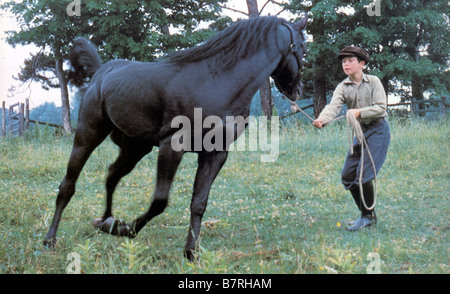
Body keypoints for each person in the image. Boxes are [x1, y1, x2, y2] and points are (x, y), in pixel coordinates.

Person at [313, 46, 391, 231]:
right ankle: (366, 214)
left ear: (361, 64)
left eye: (350, 61)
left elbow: (381, 108)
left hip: (378, 130)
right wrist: (322, 119)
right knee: (348, 176)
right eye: (343, 62)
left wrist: (359, 112)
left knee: (364, 176)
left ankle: (367, 216)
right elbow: (333, 107)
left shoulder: (373, 82)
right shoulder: (342, 87)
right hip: (359, 132)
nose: (345, 64)